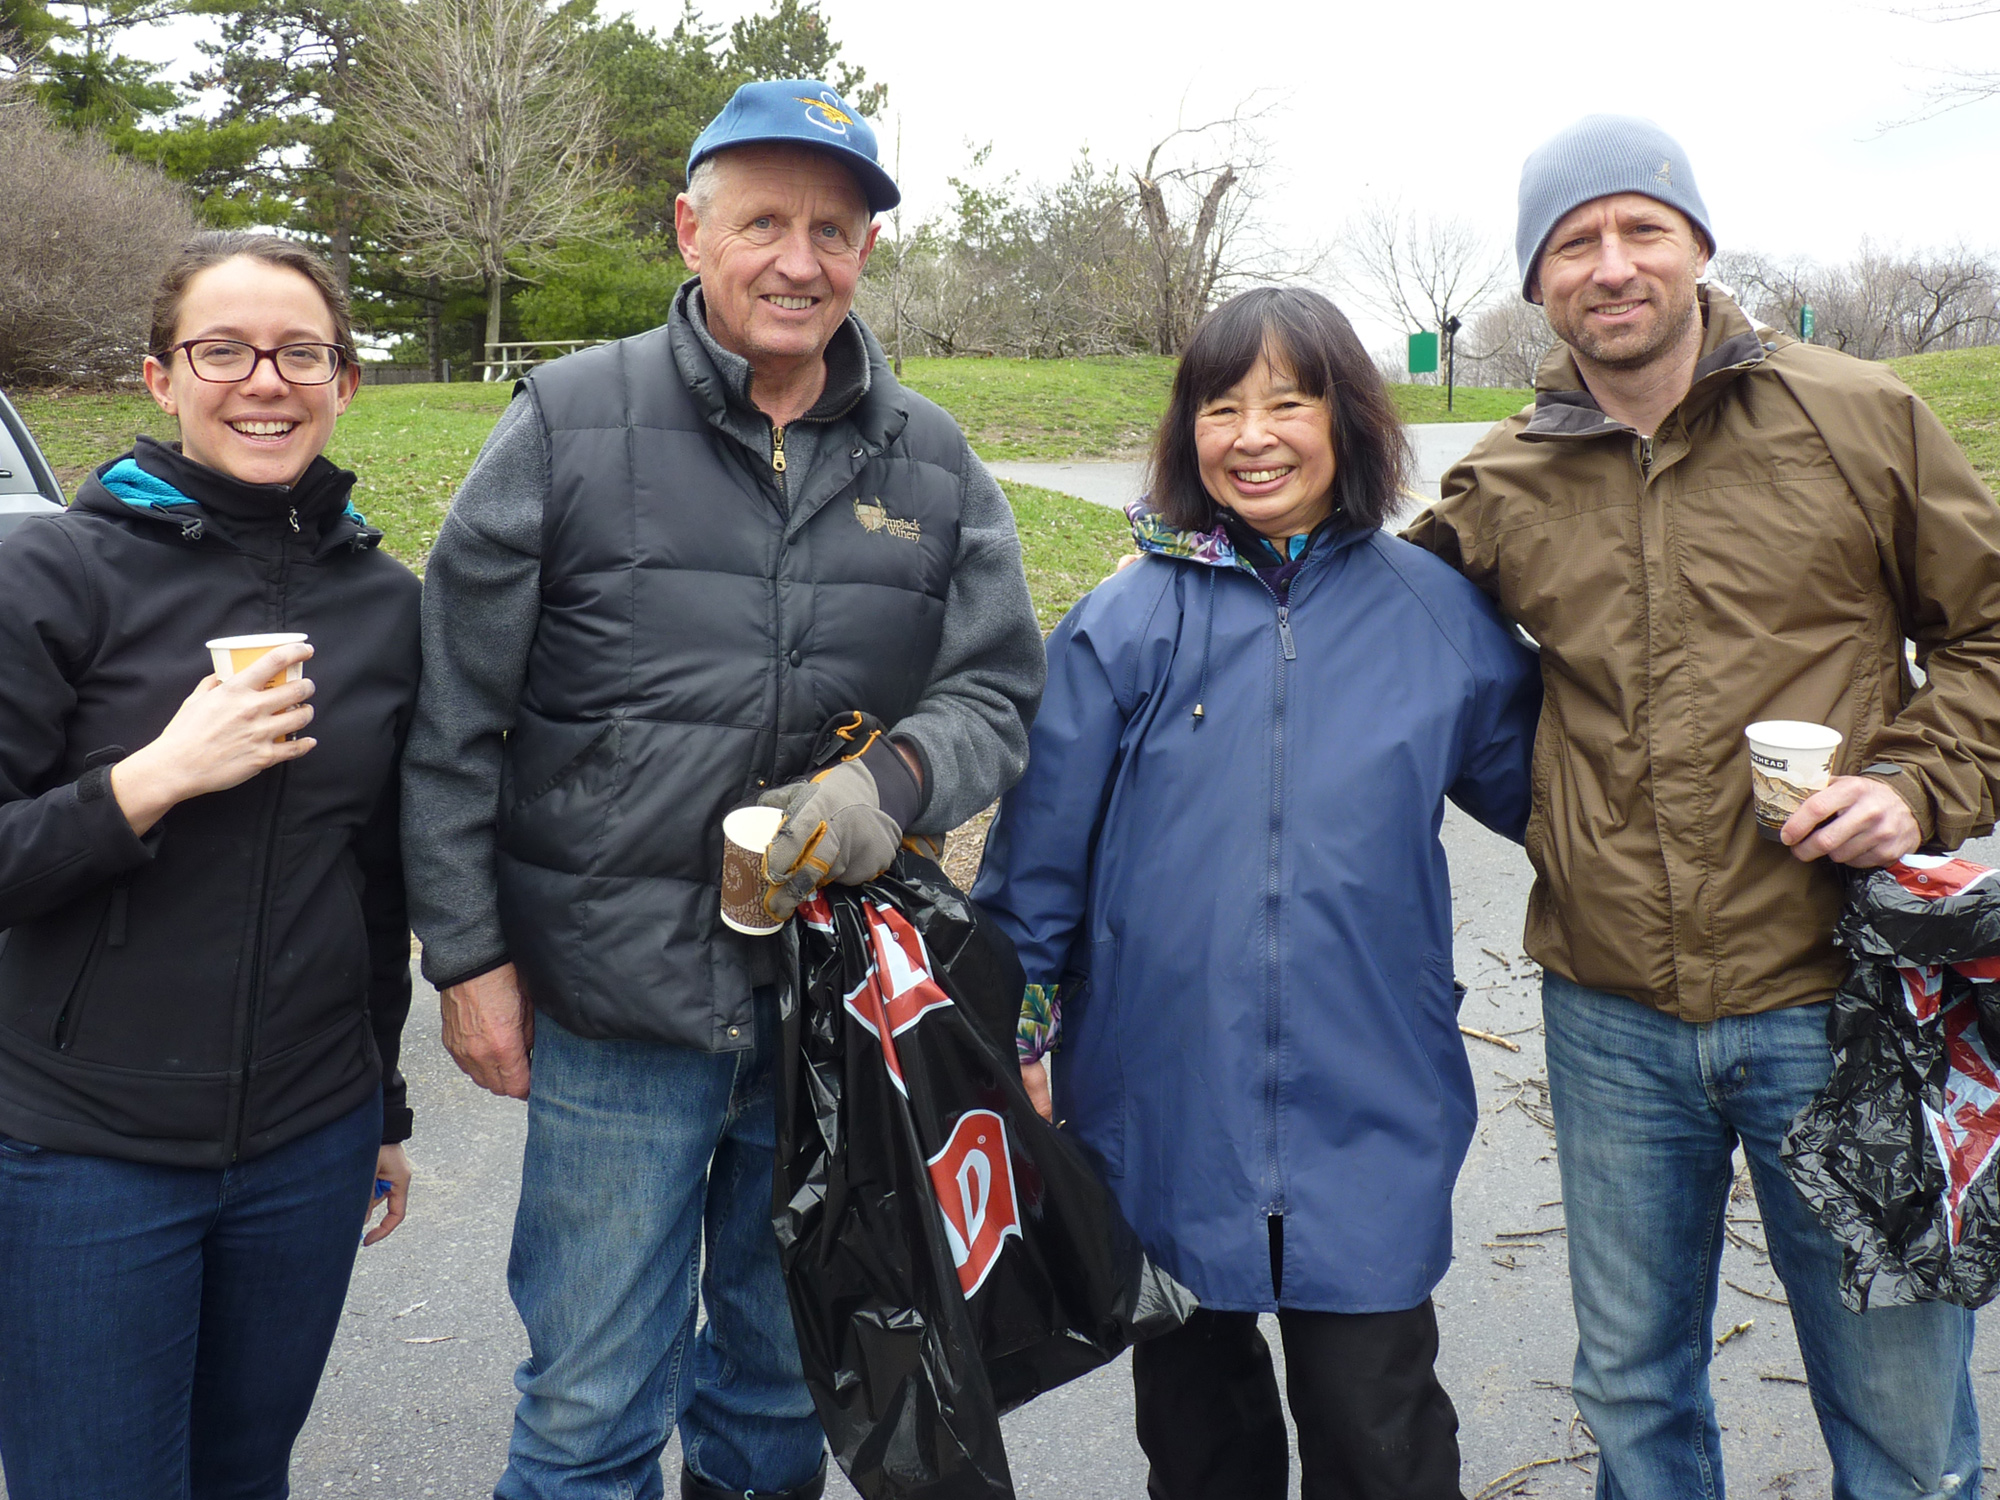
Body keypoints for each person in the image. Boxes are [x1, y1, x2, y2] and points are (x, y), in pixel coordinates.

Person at [400, 80, 1045, 1500]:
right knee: (589, 1404)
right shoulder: (569, 423)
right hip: (613, 1010)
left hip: (829, 1010)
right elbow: (455, 714)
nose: (799, 260)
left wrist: (893, 781)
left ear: (867, 251)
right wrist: (469, 955)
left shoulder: (931, 461)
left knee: (777, 1389)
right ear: (690, 229)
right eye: (763, 221)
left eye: (834, 228)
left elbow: (999, 690)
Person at [1405, 115, 2000, 1500]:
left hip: (1839, 993)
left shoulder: (1860, 418)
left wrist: (1914, 787)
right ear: (1538, 281)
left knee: (1903, 1417)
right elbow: (1378, 647)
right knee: (1631, 1395)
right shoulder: (1504, 481)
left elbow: (1986, 634)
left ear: (1697, 248)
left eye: (1640, 230)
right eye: (1574, 243)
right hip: (1612, 1010)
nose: (1611, 266)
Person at [972, 286, 1542, 1500]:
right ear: (1187, 434)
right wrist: (1013, 1037)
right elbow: (1035, 872)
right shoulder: (1124, 623)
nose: (1253, 434)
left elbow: (1568, 810)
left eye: (1289, 401)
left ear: (1348, 419)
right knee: (1198, 1444)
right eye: (1220, 406)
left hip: (1369, 1098)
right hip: (1161, 1103)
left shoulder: (1435, 616)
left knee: (1376, 1434)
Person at [0, 231, 420, 1500]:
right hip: (85, 1152)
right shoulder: (50, 573)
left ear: (343, 382)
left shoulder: (382, 603)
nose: (264, 380)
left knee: (244, 1473)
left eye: (301, 352)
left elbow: (375, 882)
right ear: (159, 377)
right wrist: (152, 778)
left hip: (307, 1141)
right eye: (222, 350)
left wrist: (383, 1110)